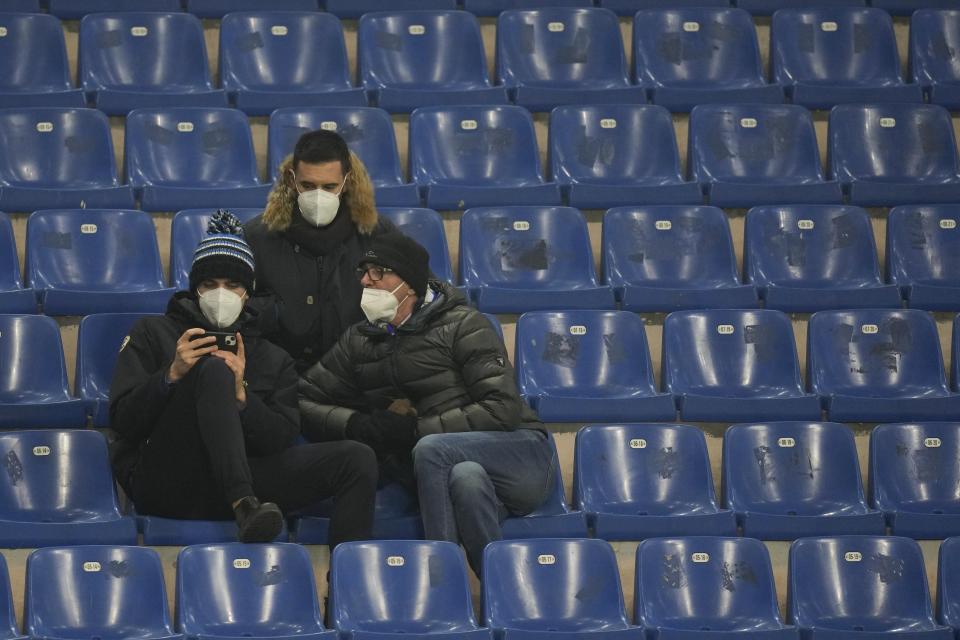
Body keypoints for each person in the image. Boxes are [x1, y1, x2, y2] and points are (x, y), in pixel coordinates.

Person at [109, 211, 377, 545]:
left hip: (250, 480)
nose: (220, 294)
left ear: (247, 293)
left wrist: (242, 398)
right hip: (170, 479)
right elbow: (122, 422)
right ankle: (243, 503)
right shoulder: (153, 333)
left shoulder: (271, 355)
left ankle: (347, 582)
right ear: (195, 290)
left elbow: (279, 439)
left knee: (356, 458)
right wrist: (170, 375)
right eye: (209, 285)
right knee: (213, 369)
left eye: (232, 285)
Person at [299, 232, 557, 574]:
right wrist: (354, 424)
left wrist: (417, 431)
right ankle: (497, 587)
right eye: (364, 272)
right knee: (466, 478)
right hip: (454, 473)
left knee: (431, 448)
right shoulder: (359, 341)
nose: (366, 280)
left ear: (408, 283)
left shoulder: (464, 325)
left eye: (378, 272)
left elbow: (502, 408)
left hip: (519, 454)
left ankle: (442, 576)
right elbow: (302, 398)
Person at [244, 129, 395, 372]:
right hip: (280, 377)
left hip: (357, 374)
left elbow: (419, 297)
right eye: (308, 185)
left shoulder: (377, 233)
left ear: (346, 181)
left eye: (329, 186)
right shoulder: (257, 237)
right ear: (292, 180)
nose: (318, 196)